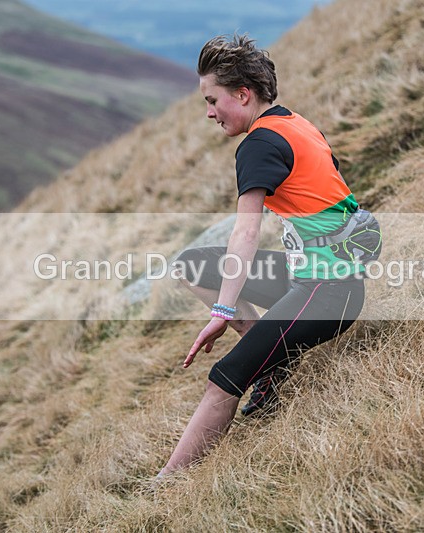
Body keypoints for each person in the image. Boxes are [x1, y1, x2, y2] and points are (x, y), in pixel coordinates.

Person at [157, 34, 380, 478]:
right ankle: (273, 365)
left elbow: (246, 231)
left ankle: (163, 489)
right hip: (315, 278)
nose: (209, 112)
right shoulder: (294, 123)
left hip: (328, 293)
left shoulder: (257, 144)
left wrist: (222, 310)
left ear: (243, 93)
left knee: (225, 377)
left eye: (213, 100)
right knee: (192, 264)